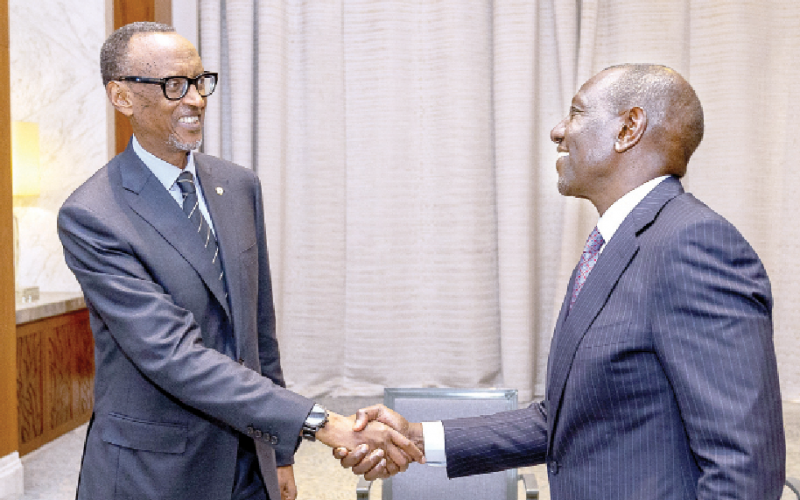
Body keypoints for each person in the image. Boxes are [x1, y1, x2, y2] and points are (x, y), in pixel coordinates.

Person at [337, 64, 786, 498]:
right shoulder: (612, 246)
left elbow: (744, 468)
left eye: (576, 112)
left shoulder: (692, 244)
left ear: (629, 128)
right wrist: (417, 435)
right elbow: (563, 419)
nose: (557, 130)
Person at [57, 22, 421, 500]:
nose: (195, 100)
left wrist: (281, 455)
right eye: (174, 86)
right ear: (122, 97)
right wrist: (323, 423)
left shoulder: (238, 185)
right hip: (157, 469)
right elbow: (172, 355)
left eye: (199, 81)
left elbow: (257, 331)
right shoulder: (94, 214)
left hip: (250, 457)